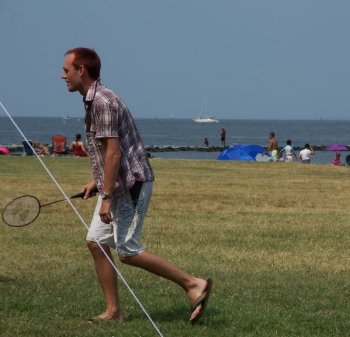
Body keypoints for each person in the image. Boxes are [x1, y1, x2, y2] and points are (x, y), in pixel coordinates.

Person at [61, 47, 212, 324]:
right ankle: (113, 312)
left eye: (66, 70)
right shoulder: (95, 99)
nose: (62, 76)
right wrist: (97, 183)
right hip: (117, 183)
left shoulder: (102, 102)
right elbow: (113, 151)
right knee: (96, 242)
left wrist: (105, 196)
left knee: (128, 250)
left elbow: (115, 153)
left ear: (81, 70)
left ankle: (193, 284)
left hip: (131, 184)